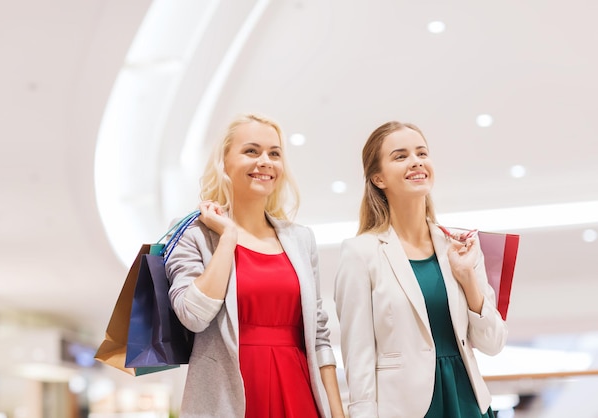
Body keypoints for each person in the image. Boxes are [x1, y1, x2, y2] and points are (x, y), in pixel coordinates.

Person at [165, 113, 345, 418]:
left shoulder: (300, 239)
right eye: (252, 151)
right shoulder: (192, 233)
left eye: (274, 153)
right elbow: (193, 315)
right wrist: (228, 237)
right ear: (224, 161)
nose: (265, 161)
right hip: (230, 393)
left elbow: (319, 337)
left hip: (298, 387)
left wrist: (338, 413)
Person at [334, 121, 508, 418]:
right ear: (378, 178)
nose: (416, 161)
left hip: (467, 401)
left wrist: (468, 279)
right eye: (400, 156)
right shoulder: (360, 253)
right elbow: (358, 355)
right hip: (405, 408)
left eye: (421, 153)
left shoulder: (461, 244)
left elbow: (492, 343)